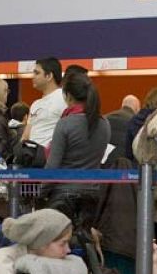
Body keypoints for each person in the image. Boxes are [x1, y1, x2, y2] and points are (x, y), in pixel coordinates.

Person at [44, 72, 110, 230]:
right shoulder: (104, 123)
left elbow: (52, 167)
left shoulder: (65, 124)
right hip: (92, 193)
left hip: (63, 194)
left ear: (67, 95)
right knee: (83, 242)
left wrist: (42, 191)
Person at [23, 57, 66, 147]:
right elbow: (26, 136)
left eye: (37, 73)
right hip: (31, 156)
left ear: (49, 76)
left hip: (50, 157)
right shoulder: (35, 104)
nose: (33, 76)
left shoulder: (64, 98)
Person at [106, 93, 140, 159]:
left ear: (122, 105)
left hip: (104, 164)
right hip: (126, 165)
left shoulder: (106, 118)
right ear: (136, 109)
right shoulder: (136, 123)